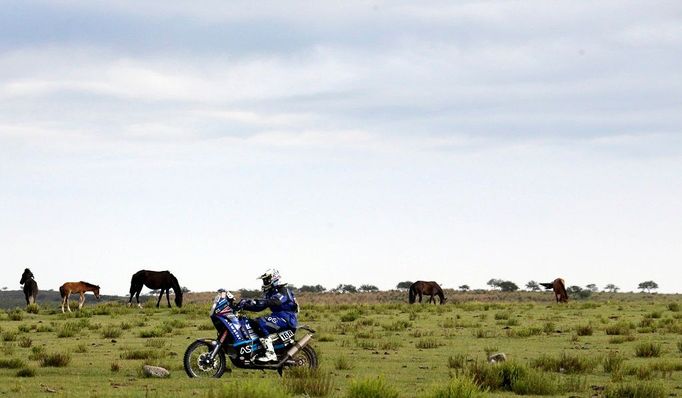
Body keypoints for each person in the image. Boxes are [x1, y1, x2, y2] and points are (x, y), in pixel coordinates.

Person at [239, 268, 298, 362]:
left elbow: (276, 301)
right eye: (264, 280)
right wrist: (244, 305)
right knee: (252, 322)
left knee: (261, 322)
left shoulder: (283, 290)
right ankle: (257, 350)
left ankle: (271, 355)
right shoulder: (270, 293)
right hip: (278, 316)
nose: (265, 282)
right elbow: (259, 307)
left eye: (266, 279)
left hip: (287, 318)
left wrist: (259, 301)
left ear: (274, 278)